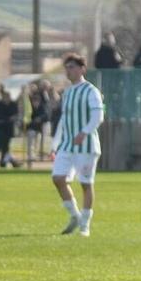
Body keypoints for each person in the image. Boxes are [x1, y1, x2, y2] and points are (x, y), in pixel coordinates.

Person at [51, 53, 105, 236]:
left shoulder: (91, 91)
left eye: (72, 67)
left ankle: (85, 226)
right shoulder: (68, 92)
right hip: (67, 145)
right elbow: (64, 119)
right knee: (58, 178)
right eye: (67, 67)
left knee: (85, 184)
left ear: (82, 69)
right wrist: (55, 143)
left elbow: (98, 115)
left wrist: (84, 132)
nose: (69, 70)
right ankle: (75, 215)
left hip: (87, 146)